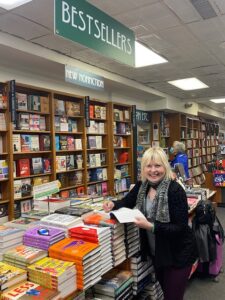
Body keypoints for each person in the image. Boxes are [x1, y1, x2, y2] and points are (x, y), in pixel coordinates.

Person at [103, 147, 197, 300]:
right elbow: (127, 201)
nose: (153, 170)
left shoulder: (175, 190)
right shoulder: (142, 186)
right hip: (158, 253)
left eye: (158, 166)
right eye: (149, 166)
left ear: (165, 167)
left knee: (173, 297)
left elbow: (180, 228)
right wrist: (113, 204)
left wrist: (150, 226)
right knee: (167, 292)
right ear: (143, 168)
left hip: (179, 254)